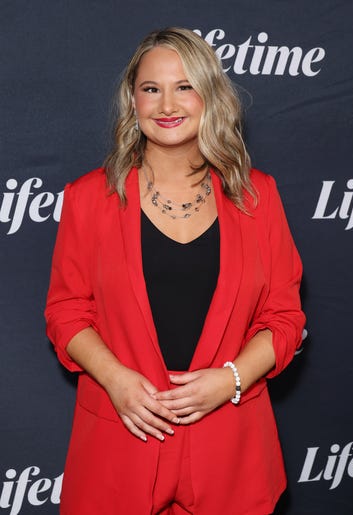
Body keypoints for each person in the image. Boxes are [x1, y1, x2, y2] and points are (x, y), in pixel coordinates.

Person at [45, 27, 305, 515]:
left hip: (230, 445)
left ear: (210, 95)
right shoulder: (87, 199)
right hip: (122, 443)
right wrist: (117, 381)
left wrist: (230, 379)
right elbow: (66, 311)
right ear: (133, 101)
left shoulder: (258, 197)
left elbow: (285, 317)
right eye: (151, 89)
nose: (167, 104)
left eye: (184, 86)